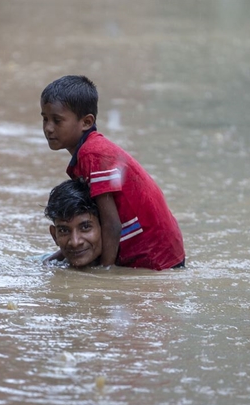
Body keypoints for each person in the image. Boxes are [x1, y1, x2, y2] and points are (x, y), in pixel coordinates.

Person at [40, 75, 185, 270]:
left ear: (86, 122)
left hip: (154, 256)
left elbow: (111, 224)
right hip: (160, 250)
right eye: (45, 119)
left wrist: (105, 273)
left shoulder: (93, 155)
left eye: (57, 121)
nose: (48, 128)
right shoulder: (90, 153)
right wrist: (58, 256)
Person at [44, 179, 103, 268]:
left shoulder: (130, 267)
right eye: (64, 230)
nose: (75, 242)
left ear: (104, 227)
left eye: (85, 227)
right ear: (54, 235)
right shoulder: (42, 265)